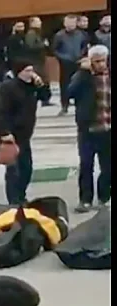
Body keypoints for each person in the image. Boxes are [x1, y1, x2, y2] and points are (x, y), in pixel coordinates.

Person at [0, 60, 43, 205]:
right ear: (19, 72)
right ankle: (14, 200)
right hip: (10, 134)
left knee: (26, 168)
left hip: (24, 135)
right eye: (27, 71)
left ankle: (21, 195)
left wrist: (41, 85)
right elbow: (1, 111)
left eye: (32, 70)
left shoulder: (32, 87)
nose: (31, 74)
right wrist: (4, 132)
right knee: (13, 170)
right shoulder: (8, 87)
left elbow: (45, 96)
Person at [70, 45, 111, 213]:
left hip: (107, 128)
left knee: (108, 167)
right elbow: (70, 92)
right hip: (88, 129)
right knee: (86, 165)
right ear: (90, 61)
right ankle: (85, 200)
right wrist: (83, 72)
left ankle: (104, 197)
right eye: (97, 61)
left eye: (103, 60)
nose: (101, 64)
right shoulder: (83, 77)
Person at [54, 15, 91, 115]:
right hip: (65, 64)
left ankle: (79, 106)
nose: (70, 25)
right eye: (68, 23)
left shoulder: (82, 34)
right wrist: (64, 58)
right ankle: (64, 106)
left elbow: (85, 46)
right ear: (64, 23)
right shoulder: (59, 35)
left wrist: (81, 55)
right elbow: (54, 50)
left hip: (78, 63)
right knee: (64, 85)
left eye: (72, 23)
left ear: (76, 23)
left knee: (80, 84)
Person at [25, 17, 51, 105]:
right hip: (35, 61)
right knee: (40, 79)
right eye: (38, 22)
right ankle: (42, 99)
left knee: (44, 79)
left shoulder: (38, 33)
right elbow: (30, 46)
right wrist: (43, 44)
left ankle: (44, 99)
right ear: (32, 23)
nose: (40, 23)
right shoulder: (31, 34)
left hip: (40, 60)